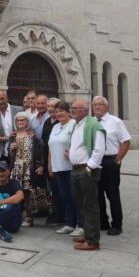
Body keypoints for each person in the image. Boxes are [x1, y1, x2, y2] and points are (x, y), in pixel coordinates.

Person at [69, 98, 105, 250]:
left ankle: (93, 241)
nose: (71, 110)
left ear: (84, 110)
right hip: (76, 169)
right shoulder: (77, 125)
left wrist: (89, 168)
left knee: (90, 206)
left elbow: (99, 149)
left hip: (86, 170)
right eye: (71, 108)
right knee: (81, 204)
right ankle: (87, 234)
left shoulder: (94, 125)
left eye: (74, 108)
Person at [93, 96, 131, 236]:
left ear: (107, 107)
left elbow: (126, 141)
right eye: (95, 104)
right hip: (95, 162)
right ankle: (103, 222)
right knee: (97, 194)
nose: (97, 107)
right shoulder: (91, 121)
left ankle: (117, 225)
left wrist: (118, 159)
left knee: (112, 194)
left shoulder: (116, 122)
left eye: (100, 104)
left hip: (110, 161)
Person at [48, 101, 82, 236]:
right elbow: (50, 148)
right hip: (58, 167)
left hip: (71, 167)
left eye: (61, 111)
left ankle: (80, 224)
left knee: (76, 196)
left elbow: (79, 144)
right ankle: (69, 223)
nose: (58, 114)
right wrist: (50, 164)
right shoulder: (55, 127)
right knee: (65, 197)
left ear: (68, 112)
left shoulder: (74, 125)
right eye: (56, 112)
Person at [8, 112, 46, 227]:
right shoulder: (13, 136)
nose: (20, 122)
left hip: (29, 167)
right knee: (15, 192)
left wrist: (41, 165)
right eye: (18, 120)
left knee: (28, 193)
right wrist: (10, 148)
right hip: (16, 167)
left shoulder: (32, 135)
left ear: (27, 121)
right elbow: (10, 156)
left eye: (22, 120)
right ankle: (15, 216)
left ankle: (29, 218)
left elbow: (41, 151)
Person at [42, 97, 65, 226]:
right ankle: (56, 213)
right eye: (49, 106)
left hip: (60, 161)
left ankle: (62, 215)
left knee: (61, 189)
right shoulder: (47, 122)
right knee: (53, 189)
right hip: (48, 160)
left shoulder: (61, 123)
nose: (50, 109)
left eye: (53, 107)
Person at [0, 90, 24, 162]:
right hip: (3, 153)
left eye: (2, 99)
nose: (0, 101)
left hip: (18, 151)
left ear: (7, 98)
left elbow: (26, 129)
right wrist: (6, 138)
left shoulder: (19, 110)